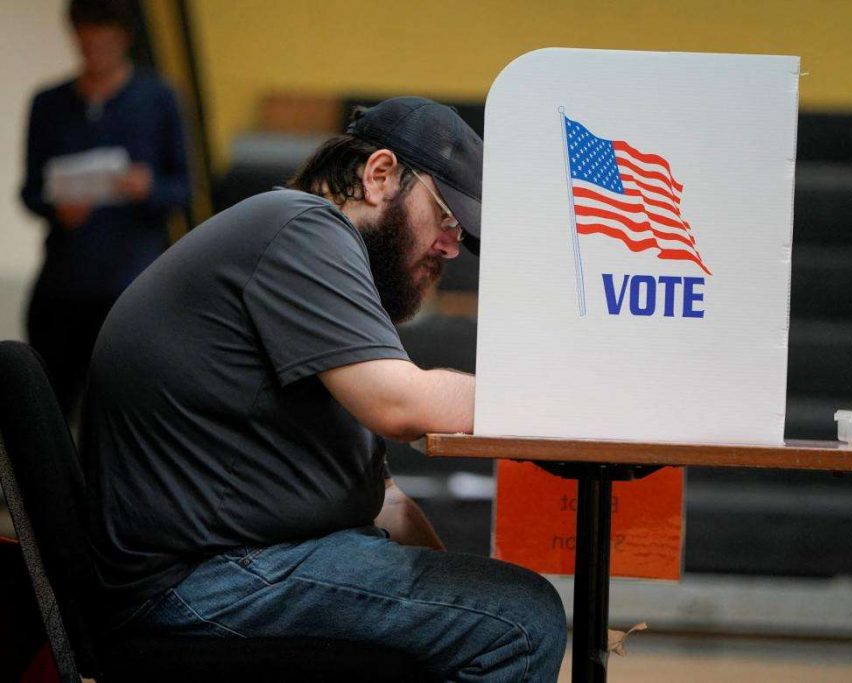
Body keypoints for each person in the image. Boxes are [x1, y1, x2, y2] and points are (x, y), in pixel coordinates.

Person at [82, 96, 567, 681]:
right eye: (444, 218)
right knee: (521, 619)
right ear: (380, 174)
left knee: (499, 606)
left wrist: (458, 592)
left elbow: (384, 500)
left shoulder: (313, 268)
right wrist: (554, 399)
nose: (450, 246)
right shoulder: (303, 225)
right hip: (202, 581)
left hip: (234, 566)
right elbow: (399, 403)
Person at [20, 0, 190, 417]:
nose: (94, 54)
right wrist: (55, 206)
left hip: (132, 277)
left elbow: (182, 188)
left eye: (105, 44)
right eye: (86, 44)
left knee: (123, 403)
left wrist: (146, 188)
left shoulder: (158, 99)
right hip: (66, 278)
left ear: (124, 40)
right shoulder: (50, 103)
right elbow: (29, 190)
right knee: (51, 398)